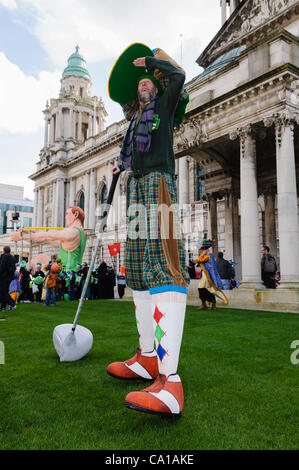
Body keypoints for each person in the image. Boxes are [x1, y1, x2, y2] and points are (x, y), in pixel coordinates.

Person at [106, 45, 190, 416]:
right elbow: (133, 152)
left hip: (160, 183)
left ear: (156, 87)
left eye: (147, 83)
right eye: (138, 84)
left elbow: (179, 77)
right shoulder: (136, 122)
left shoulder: (166, 106)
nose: (142, 86)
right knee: (138, 269)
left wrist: (152, 64)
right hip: (137, 185)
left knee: (163, 262)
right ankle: (147, 359)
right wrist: (121, 168)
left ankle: (170, 382)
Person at [10, 206, 87, 273]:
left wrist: (21, 237)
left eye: (67, 214)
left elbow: (49, 235)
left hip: (68, 274)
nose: (65, 217)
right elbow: (52, 241)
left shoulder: (73, 231)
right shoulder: (81, 232)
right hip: (70, 273)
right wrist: (36, 231)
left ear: (76, 214)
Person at [195, 239, 228, 310]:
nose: (201, 251)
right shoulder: (207, 256)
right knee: (203, 289)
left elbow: (200, 260)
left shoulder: (209, 256)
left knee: (205, 289)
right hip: (205, 275)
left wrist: (203, 254)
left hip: (208, 276)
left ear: (206, 250)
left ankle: (210, 303)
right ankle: (206, 303)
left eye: (203, 249)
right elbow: (199, 261)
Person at [0, 246, 16, 312]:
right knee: (4, 291)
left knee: (3, 292)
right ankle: (3, 307)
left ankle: (12, 303)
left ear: (4, 250)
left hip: (4, 276)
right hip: (10, 277)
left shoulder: (4, 256)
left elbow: (2, 266)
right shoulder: (12, 257)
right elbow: (14, 268)